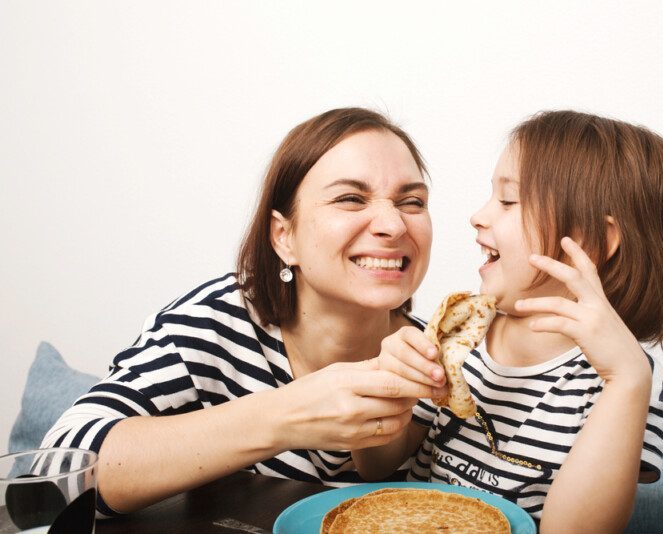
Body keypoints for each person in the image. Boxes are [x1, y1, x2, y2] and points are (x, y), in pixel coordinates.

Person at [41, 107, 448, 515]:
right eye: (350, 199)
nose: (393, 225)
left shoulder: (442, 362)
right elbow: (51, 481)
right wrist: (288, 414)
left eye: (411, 201)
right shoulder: (215, 325)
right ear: (283, 236)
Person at [353, 110, 663, 533]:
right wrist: (392, 388)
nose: (478, 215)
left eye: (507, 200)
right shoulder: (461, 336)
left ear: (593, 241)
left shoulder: (627, 378)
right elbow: (376, 467)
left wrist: (626, 382)